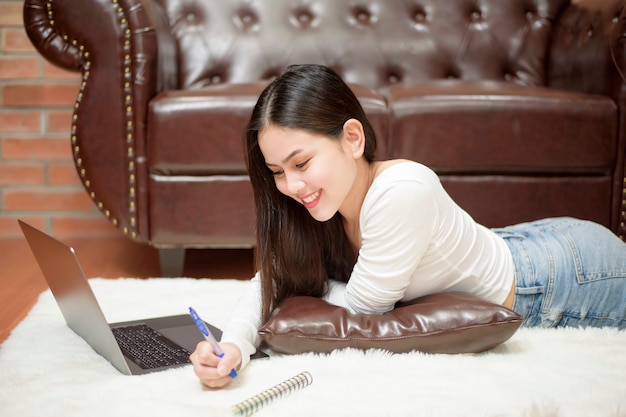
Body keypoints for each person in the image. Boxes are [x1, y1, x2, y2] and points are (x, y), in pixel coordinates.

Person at [190, 64, 626, 388]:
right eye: (277, 171)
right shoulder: (325, 203)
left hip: (566, 276)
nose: (291, 185)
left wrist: (298, 287)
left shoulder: (401, 193)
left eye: (301, 162)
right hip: (518, 242)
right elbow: (272, 279)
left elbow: (360, 309)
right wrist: (233, 347)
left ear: (353, 139)